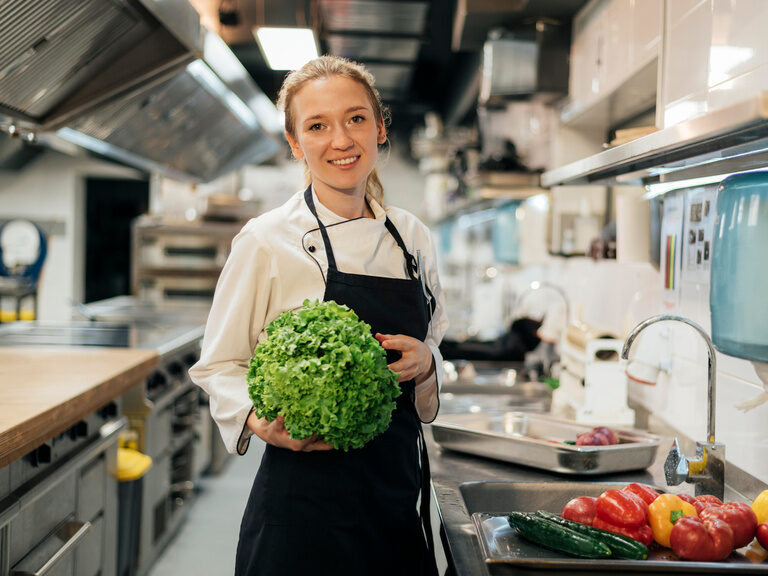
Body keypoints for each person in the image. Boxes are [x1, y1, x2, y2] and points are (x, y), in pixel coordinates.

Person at [189, 55, 448, 576]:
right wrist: (261, 420)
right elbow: (217, 366)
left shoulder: (411, 235)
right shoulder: (266, 240)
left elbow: (436, 341)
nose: (341, 140)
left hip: (395, 497)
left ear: (379, 127)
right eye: (317, 126)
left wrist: (425, 361)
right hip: (302, 508)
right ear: (295, 143)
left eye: (355, 119)